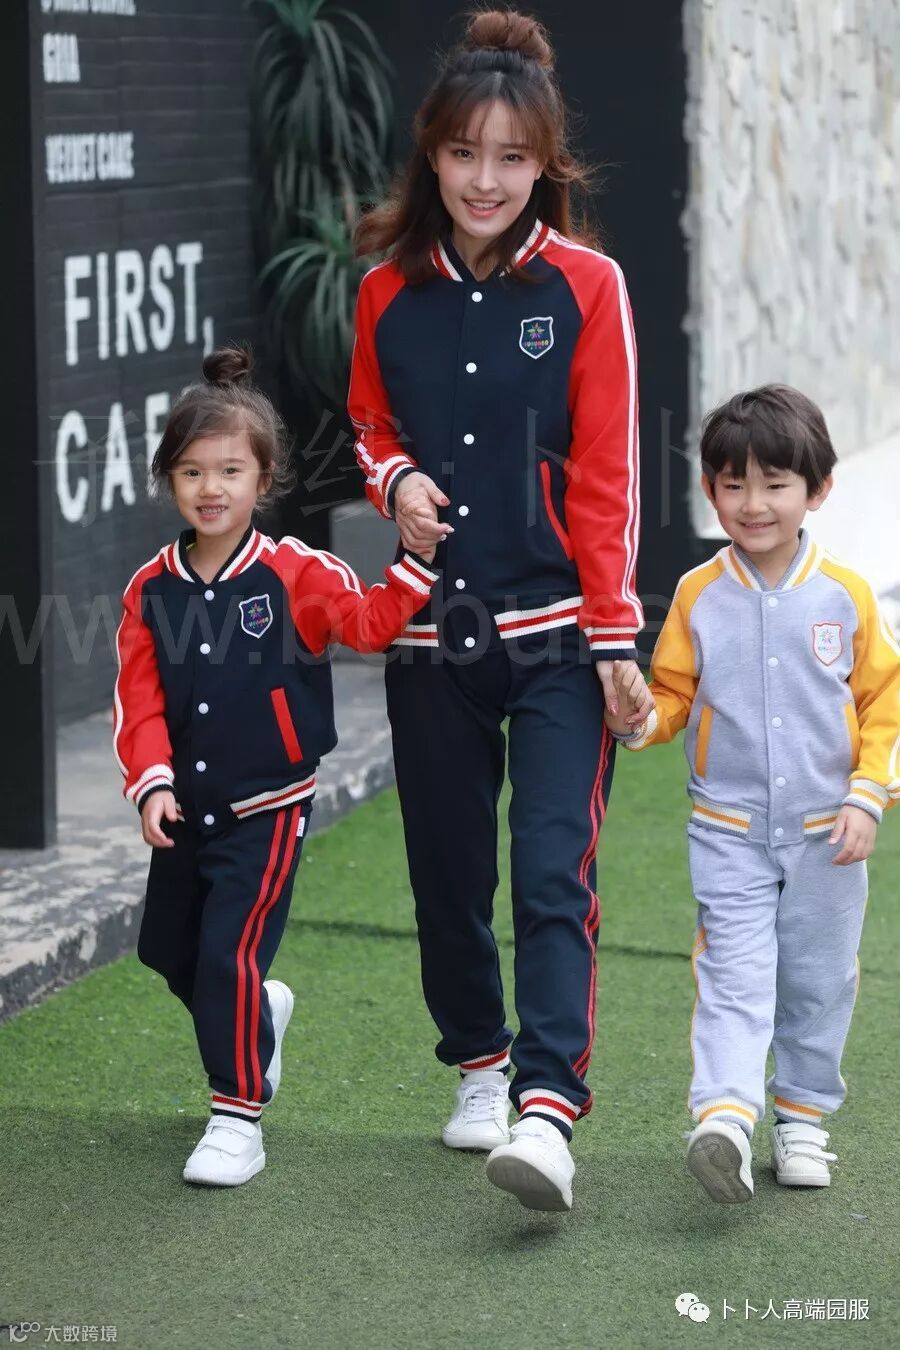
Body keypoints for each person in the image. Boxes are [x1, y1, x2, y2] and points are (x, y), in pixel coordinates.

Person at [349, 10, 647, 1212]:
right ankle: (478, 1064)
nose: (486, 179)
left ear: (544, 164)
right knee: (447, 872)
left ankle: (546, 1109)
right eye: (465, 152)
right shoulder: (382, 291)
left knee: (550, 872)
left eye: (512, 157)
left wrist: (615, 638)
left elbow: (608, 472)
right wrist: (394, 484)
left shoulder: (589, 287)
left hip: (562, 639)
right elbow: (369, 426)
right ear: (432, 152)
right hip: (431, 642)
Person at [113, 346, 439, 1187]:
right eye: (191, 471)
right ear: (169, 479)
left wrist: (413, 566)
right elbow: (137, 703)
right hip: (184, 809)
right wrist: (151, 783)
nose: (210, 488)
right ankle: (258, 1012)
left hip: (268, 807)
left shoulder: (297, 571)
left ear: (264, 479)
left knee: (227, 954)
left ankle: (237, 1115)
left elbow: (367, 624)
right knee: (167, 951)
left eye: (230, 471)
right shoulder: (150, 590)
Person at [606, 384, 899, 1204]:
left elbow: (885, 704)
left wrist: (867, 795)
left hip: (829, 837)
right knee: (734, 973)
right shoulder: (697, 593)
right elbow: (672, 696)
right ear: (710, 490)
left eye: (775, 484)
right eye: (733, 484)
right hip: (727, 830)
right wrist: (639, 719)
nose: (753, 503)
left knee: (819, 980)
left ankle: (801, 1118)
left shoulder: (846, 595)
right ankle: (726, 1117)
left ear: (818, 489)